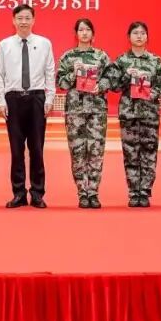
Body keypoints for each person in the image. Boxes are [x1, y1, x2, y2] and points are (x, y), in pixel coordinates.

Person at [0, 3, 55, 208]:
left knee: (37, 149)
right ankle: (18, 193)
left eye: (27, 18)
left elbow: (50, 72)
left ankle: (37, 193)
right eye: (20, 18)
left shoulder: (44, 43)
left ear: (34, 20)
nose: (24, 22)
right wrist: (0, 100)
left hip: (37, 98)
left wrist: (49, 98)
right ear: (13, 20)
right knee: (16, 150)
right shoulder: (4, 45)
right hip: (13, 99)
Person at [104, 21, 161, 208]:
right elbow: (114, 86)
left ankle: (145, 192)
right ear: (129, 37)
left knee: (149, 153)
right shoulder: (121, 61)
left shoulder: (155, 61)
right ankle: (133, 192)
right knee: (130, 154)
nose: (139, 36)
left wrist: (150, 93)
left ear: (147, 37)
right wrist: (126, 76)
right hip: (129, 114)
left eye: (142, 33)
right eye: (135, 33)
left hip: (149, 113)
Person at [56, 18, 111, 209]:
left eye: (88, 29)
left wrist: (100, 86)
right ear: (76, 34)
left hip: (97, 110)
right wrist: (75, 73)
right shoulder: (68, 57)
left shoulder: (101, 56)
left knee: (96, 152)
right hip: (75, 111)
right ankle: (82, 192)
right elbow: (61, 83)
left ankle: (93, 193)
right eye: (81, 30)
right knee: (78, 152)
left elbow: (111, 79)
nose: (84, 33)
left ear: (93, 34)